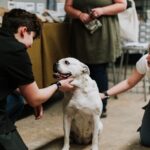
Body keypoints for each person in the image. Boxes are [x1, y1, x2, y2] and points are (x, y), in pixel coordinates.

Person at [0, 8, 74, 150]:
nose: (30, 45)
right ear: (23, 30)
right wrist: (58, 84)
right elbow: (34, 98)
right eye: (32, 37)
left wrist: (32, 95)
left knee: (17, 100)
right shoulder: (16, 50)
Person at [64, 0, 127, 117]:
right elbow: (68, 7)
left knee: (99, 69)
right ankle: (80, 105)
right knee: (79, 70)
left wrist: (102, 10)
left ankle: (100, 106)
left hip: (103, 32)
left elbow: (123, 5)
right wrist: (79, 14)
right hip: (80, 32)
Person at [100, 52, 150, 147]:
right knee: (146, 140)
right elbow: (129, 82)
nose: (148, 57)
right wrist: (104, 94)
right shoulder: (145, 61)